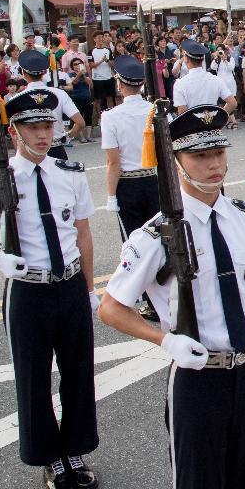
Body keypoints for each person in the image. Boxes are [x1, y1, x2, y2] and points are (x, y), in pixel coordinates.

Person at [99, 104, 245, 489]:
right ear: (176, 161)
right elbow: (111, 307)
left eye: (220, 150)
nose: (215, 164)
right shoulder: (155, 235)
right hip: (199, 376)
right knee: (199, 488)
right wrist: (164, 340)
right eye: (201, 155)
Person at [0, 88, 100, 489]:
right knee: (34, 379)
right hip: (28, 291)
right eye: (32, 127)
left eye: (47, 126)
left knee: (77, 373)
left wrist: (88, 288)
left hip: (69, 285)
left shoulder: (69, 173)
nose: (42, 136)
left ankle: (75, 452)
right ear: (14, 131)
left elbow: (84, 235)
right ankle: (48, 457)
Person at [100, 56, 162, 320]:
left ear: (120, 84)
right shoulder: (155, 110)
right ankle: (163, 295)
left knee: (135, 244)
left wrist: (111, 194)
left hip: (128, 183)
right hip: (155, 180)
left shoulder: (111, 116)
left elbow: (113, 162)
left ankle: (147, 300)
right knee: (160, 240)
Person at [18, 48, 84, 160]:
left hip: (31, 151)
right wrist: (66, 137)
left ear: (23, 73)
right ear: (44, 73)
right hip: (56, 149)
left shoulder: (19, 98)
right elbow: (80, 123)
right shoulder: (59, 94)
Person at [173, 39, 237, 115]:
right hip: (213, 125)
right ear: (203, 59)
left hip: (193, 125)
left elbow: (182, 112)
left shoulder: (180, 83)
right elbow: (232, 103)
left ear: (186, 59)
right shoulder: (215, 79)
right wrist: (218, 119)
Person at [90, 32, 115, 113]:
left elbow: (113, 64)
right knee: (98, 100)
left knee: (110, 98)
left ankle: (111, 116)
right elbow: (91, 65)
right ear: (94, 39)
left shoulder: (108, 50)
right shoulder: (91, 51)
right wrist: (101, 61)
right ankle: (99, 118)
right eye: (98, 37)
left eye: (102, 37)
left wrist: (107, 60)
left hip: (108, 77)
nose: (101, 39)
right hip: (97, 79)